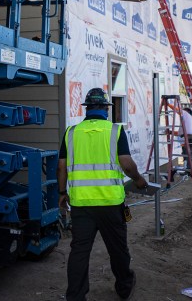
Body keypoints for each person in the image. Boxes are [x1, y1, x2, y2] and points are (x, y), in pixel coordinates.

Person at [58, 87, 148, 301]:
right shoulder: (115, 131)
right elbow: (126, 164)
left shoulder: (71, 133)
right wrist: (138, 179)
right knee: (117, 249)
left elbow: (61, 167)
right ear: (105, 109)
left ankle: (75, 296)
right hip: (110, 204)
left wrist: (62, 192)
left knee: (79, 252)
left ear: (88, 109)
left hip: (81, 206)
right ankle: (125, 287)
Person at [180, 107, 192, 185]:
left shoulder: (186, 115)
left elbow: (178, 110)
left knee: (188, 155)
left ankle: (189, 171)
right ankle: (187, 171)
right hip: (188, 138)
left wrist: (168, 104)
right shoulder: (186, 121)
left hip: (189, 138)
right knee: (187, 155)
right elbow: (180, 133)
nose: (182, 112)